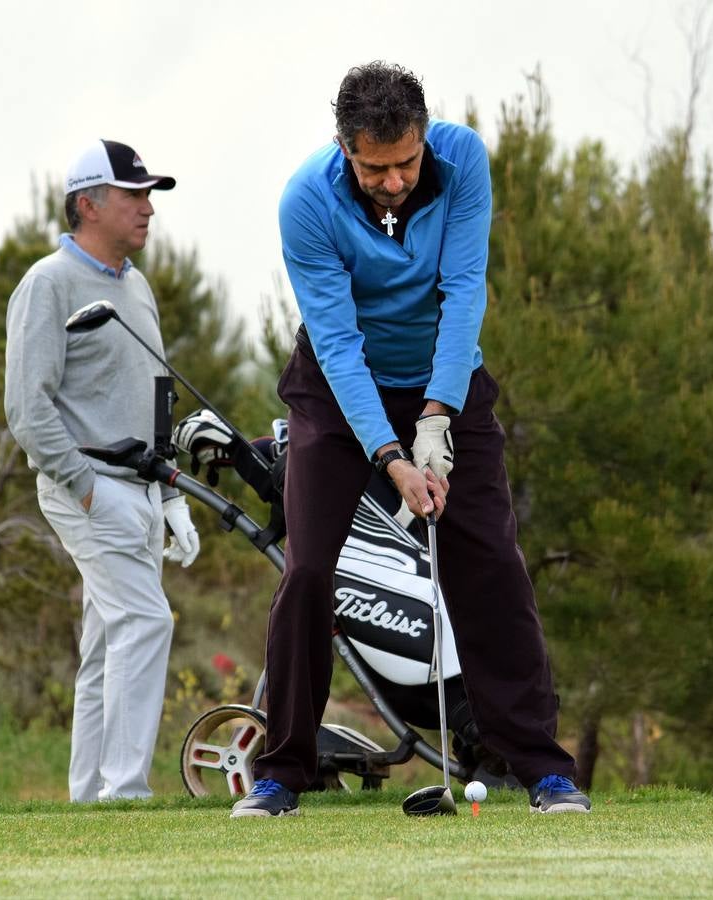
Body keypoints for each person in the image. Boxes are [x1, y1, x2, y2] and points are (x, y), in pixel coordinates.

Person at [231, 63, 590, 817]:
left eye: (404, 163)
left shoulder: (463, 163)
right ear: (344, 150)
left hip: (445, 380)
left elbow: (464, 293)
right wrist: (391, 459)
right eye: (374, 168)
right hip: (336, 395)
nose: (392, 182)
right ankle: (281, 773)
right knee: (306, 573)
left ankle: (541, 768)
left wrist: (436, 416)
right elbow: (336, 344)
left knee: (490, 562)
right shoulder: (306, 201)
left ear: (423, 139)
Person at [4, 139, 200, 802]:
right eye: (133, 195)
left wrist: (169, 495)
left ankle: (89, 796)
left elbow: (152, 392)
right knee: (146, 622)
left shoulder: (135, 286)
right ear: (88, 203)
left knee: (106, 642)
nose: (148, 209)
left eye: (150, 196)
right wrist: (84, 488)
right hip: (85, 486)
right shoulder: (48, 283)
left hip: (142, 488)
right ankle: (124, 792)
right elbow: (28, 407)